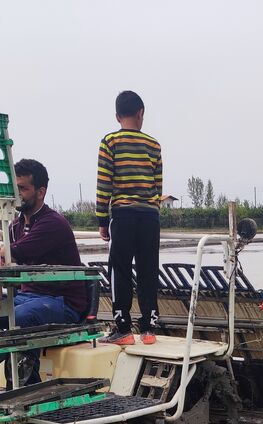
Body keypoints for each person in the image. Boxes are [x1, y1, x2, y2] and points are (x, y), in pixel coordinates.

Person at [0, 158, 88, 389]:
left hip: (62, 303)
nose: (18, 195)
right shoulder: (15, 226)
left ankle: (26, 389)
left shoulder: (52, 223)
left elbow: (15, 252)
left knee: (22, 317)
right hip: (28, 297)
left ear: (41, 192)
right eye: (15, 189)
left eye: (23, 189)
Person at [95, 90, 163, 346]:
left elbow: (104, 183)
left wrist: (102, 219)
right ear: (141, 113)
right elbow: (157, 185)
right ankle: (148, 329)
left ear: (116, 116)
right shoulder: (153, 145)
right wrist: (151, 209)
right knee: (148, 269)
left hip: (123, 215)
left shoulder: (110, 142)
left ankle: (122, 328)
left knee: (120, 269)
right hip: (149, 216)